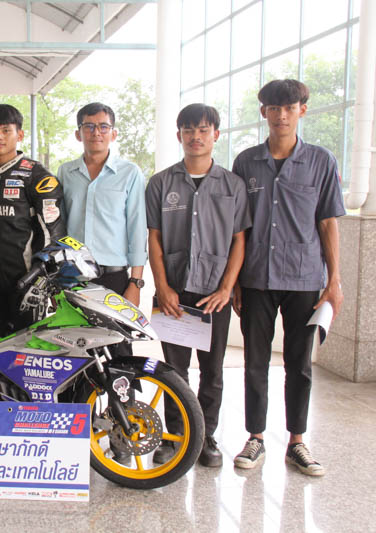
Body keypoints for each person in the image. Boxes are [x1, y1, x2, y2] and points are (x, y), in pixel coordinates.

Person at [231, 79, 345, 476]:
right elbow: (238, 228)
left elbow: (328, 222)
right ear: (263, 112)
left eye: (290, 107)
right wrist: (235, 281)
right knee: (255, 362)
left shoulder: (321, 161)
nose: (281, 115)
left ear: (302, 110)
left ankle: (297, 441)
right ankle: (256, 437)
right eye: (274, 107)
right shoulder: (246, 163)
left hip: (304, 277)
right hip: (255, 277)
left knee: (299, 364)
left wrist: (334, 281)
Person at [145, 103, 251, 468]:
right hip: (174, 292)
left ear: (215, 135)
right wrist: (162, 287)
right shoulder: (161, 183)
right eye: (188, 130)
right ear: (179, 135)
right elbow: (154, 238)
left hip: (213, 294)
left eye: (203, 130)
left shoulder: (233, 185)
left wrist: (226, 289)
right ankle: (176, 436)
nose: (195, 136)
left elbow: (239, 240)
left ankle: (206, 437)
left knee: (213, 371)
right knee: (173, 372)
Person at [0, 104, 66, 334]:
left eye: (6, 130)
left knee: (25, 348)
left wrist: (40, 280)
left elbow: (52, 234)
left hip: (27, 283)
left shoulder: (38, 177)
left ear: (19, 134)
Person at [58, 102, 147, 309]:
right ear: (78, 134)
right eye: (88, 126)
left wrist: (135, 283)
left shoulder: (130, 173)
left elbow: (137, 229)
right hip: (73, 276)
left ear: (113, 134)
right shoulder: (65, 172)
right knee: (74, 330)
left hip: (114, 278)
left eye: (103, 127)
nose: (96, 132)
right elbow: (59, 226)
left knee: (117, 332)